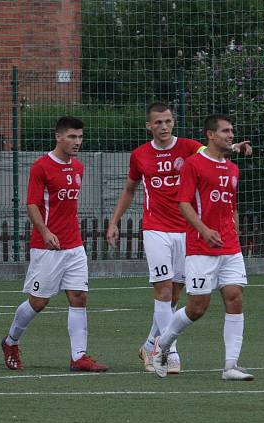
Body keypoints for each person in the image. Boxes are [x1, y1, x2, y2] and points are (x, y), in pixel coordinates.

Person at [106, 103, 251, 374]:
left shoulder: (188, 147)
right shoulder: (140, 155)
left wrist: (234, 148)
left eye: (168, 121)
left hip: (186, 231)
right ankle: (169, 354)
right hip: (156, 228)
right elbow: (129, 189)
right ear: (149, 126)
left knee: (175, 293)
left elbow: (213, 152)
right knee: (162, 289)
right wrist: (114, 221)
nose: (164, 127)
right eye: (158, 122)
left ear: (174, 123)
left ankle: (151, 344)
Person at [0, 116, 108, 372]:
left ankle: (79, 356)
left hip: (74, 245)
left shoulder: (79, 167)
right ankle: (10, 341)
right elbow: (32, 204)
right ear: (58, 137)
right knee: (38, 302)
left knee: (79, 297)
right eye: (72, 136)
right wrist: (46, 232)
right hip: (47, 247)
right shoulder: (42, 167)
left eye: (80, 137)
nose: (77, 142)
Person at [150, 114, 253, 381]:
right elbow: (184, 203)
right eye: (225, 131)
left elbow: (231, 206)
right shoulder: (193, 165)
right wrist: (204, 230)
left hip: (230, 247)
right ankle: (162, 344)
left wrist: (236, 236)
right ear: (210, 135)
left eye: (232, 131)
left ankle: (231, 365)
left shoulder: (232, 168)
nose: (230, 135)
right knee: (197, 307)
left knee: (235, 297)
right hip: (200, 247)